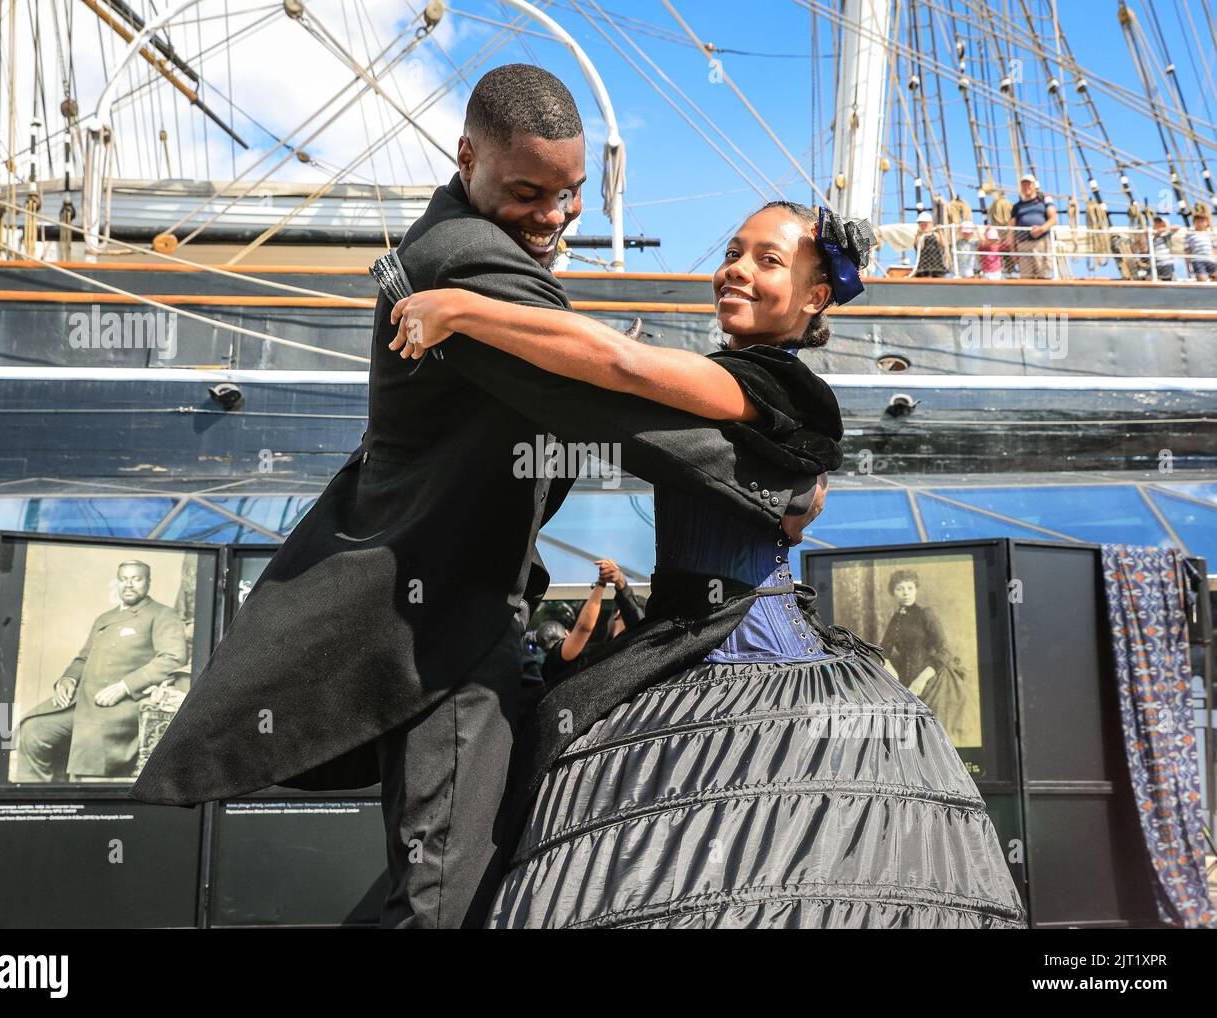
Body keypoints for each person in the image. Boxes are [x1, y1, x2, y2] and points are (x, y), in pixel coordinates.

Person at [129, 64, 815, 930]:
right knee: (445, 899)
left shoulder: (463, 247)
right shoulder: (465, 259)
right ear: (466, 157)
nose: (555, 216)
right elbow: (602, 392)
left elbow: (582, 385)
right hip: (438, 630)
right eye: (528, 191)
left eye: (569, 195)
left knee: (472, 871)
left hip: (463, 608)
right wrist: (778, 478)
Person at [389, 200, 1027, 928]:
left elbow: (620, 362)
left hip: (743, 652)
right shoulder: (739, 381)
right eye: (734, 250)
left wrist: (463, 310)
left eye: (769, 260)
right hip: (682, 645)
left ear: (816, 296)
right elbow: (782, 499)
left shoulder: (780, 384)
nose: (738, 270)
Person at [17, 561, 188, 782]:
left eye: (136, 579)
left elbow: (172, 658)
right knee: (33, 730)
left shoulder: (163, 614)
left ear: (148, 582)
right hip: (82, 701)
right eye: (124, 579)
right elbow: (83, 657)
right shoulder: (105, 618)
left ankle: (76, 804)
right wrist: (68, 679)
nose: (129, 585)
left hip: (122, 705)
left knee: (89, 748)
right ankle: (37, 802)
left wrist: (124, 686)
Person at [879, 569, 980, 748]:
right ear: (893, 593)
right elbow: (882, 650)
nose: (905, 593)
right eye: (900, 589)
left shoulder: (926, 614)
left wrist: (922, 679)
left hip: (933, 678)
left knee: (937, 736)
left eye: (910, 588)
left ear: (916, 590)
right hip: (905, 681)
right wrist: (889, 667)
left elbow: (944, 650)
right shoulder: (896, 618)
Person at [1008, 173, 1056, 279]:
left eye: (1029, 184)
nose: (1026, 187)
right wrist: (1012, 250)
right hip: (1023, 245)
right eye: (1024, 185)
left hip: (1041, 244)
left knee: (1043, 275)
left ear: (1034, 186)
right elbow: (1011, 229)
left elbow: (1053, 218)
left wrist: (1041, 229)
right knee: (1025, 277)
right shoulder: (1017, 207)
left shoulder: (1043, 202)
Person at [911, 210, 948, 277]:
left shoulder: (936, 235)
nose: (924, 226)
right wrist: (921, 233)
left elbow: (943, 245)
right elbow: (920, 247)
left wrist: (940, 231)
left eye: (926, 224)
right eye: (921, 224)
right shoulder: (919, 236)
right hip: (923, 267)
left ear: (931, 223)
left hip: (937, 265)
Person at [1184, 207, 1215, 282]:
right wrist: (1188, 267)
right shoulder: (1190, 234)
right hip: (1198, 260)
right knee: (1202, 279)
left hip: (1210, 260)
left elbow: (1214, 248)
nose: (1200, 223)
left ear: (1206, 222)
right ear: (1194, 223)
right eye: (1197, 221)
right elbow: (1187, 251)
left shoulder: (1210, 234)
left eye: (1202, 221)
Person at [1151, 214, 1179, 281]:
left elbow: (1177, 227)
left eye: (1160, 223)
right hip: (1155, 264)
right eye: (1156, 223)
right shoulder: (1151, 237)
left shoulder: (1166, 235)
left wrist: (1162, 230)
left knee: (1167, 281)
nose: (1157, 225)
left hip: (1166, 263)